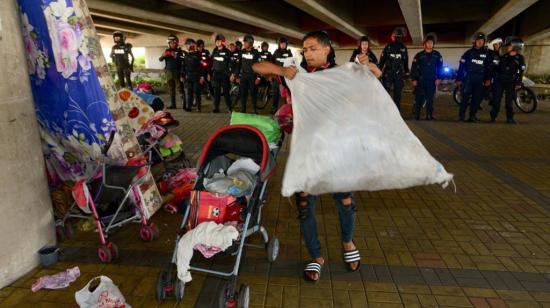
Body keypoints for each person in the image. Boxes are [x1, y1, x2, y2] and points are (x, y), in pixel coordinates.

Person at [252, 30, 381, 283]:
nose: (307, 53)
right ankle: (316, 256)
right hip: (306, 151)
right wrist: (281, 71)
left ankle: (347, 242)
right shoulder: (296, 74)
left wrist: (370, 65)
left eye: (312, 48)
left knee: (344, 200)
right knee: (304, 205)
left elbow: (377, 75)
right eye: (305, 50)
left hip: (338, 150)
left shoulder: (341, 74)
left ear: (327, 50)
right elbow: (257, 66)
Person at [456, 32, 491, 122]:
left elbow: (488, 68)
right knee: (465, 99)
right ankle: (461, 116)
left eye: (482, 41)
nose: (480, 42)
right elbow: (461, 66)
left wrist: (488, 79)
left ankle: (472, 116)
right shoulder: (468, 53)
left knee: (476, 99)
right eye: (478, 40)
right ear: (475, 41)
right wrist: (458, 79)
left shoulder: (487, 54)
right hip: (468, 79)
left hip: (480, 79)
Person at [490, 37, 526, 124]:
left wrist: (519, 82)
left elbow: (521, 71)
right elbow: (495, 67)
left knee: (509, 101)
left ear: (515, 47)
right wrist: (496, 55)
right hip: (499, 80)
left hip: (511, 81)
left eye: (509, 46)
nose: (507, 47)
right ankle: (493, 117)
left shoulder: (520, 58)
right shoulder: (503, 56)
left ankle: (510, 118)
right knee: (496, 99)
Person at [410, 33, 443, 120]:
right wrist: (414, 79)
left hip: (432, 80)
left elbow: (440, 68)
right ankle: (417, 115)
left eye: (431, 43)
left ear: (433, 44)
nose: (430, 44)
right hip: (420, 80)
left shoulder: (437, 55)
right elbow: (414, 68)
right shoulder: (419, 55)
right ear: (425, 44)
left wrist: (439, 78)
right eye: (428, 43)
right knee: (418, 98)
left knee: (430, 99)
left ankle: (429, 115)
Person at [379, 27, 409, 110]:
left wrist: (406, 72)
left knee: (398, 94)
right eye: (396, 36)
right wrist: (378, 72)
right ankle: (384, 111)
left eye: (399, 36)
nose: (398, 37)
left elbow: (406, 61)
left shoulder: (403, 48)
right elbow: (382, 60)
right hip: (388, 73)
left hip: (399, 74)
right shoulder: (388, 47)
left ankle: (397, 112)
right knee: (385, 93)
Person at [159, 34, 186, 109]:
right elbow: (160, 59)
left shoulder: (180, 51)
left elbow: (183, 60)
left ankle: (185, 104)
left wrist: (176, 56)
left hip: (177, 72)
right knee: (171, 89)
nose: (173, 44)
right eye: (171, 43)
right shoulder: (167, 51)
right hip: (168, 72)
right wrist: (163, 55)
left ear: (177, 43)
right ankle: (173, 104)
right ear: (169, 43)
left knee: (180, 88)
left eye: (174, 43)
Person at [235, 35, 261, 113]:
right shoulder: (241, 52)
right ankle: (243, 110)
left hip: (253, 76)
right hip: (243, 76)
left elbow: (260, 66)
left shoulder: (256, 53)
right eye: (244, 42)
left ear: (250, 43)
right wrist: (237, 76)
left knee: (253, 93)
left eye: (245, 42)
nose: (244, 44)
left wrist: (259, 77)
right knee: (243, 93)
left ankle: (254, 109)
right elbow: (238, 65)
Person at [210, 34, 233, 113]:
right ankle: (216, 107)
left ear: (222, 42)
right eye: (216, 41)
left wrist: (231, 74)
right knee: (216, 92)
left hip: (224, 74)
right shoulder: (214, 50)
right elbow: (211, 62)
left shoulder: (227, 51)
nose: (217, 42)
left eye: (219, 41)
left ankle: (229, 107)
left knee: (226, 92)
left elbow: (231, 63)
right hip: (216, 74)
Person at [271, 37, 293, 114]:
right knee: (275, 94)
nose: (282, 45)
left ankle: (287, 110)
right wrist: (271, 75)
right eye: (281, 44)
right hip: (276, 77)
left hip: (285, 77)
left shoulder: (289, 53)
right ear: (279, 44)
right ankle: (274, 109)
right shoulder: (276, 52)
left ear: (286, 45)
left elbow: (291, 64)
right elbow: (271, 64)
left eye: (284, 44)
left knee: (287, 94)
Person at [182, 39, 203, 112]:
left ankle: (198, 107)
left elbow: (202, 66)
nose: (187, 46)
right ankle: (189, 107)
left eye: (188, 45)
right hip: (189, 76)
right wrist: (182, 75)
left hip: (196, 76)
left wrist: (202, 76)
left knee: (197, 92)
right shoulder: (186, 55)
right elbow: (184, 66)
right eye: (187, 45)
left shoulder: (198, 55)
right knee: (189, 92)